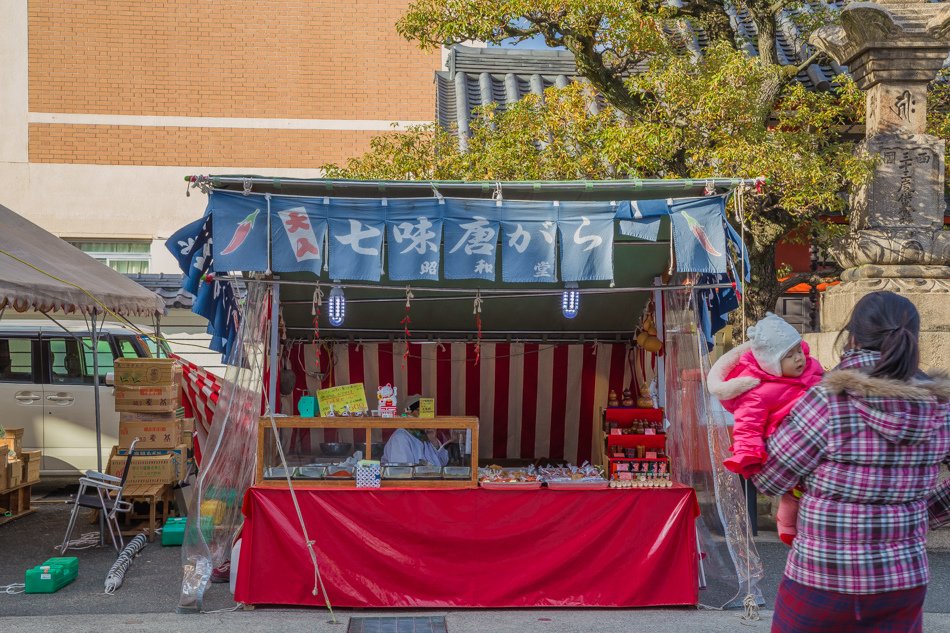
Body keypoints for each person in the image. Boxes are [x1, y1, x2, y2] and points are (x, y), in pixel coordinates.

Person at [751, 291, 950, 633]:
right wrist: (921, 511)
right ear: (911, 339)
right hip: (903, 579)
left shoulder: (827, 400)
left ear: (853, 337)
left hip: (821, 576)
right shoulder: (939, 407)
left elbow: (770, 478)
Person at [708, 312, 823, 545]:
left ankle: (804, 529)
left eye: (798, 351)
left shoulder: (813, 371)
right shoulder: (758, 391)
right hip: (785, 445)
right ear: (771, 362)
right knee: (792, 493)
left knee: (809, 489)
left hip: (814, 440)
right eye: (789, 356)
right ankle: (788, 525)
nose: (799, 359)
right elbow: (747, 425)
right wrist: (747, 453)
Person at [381, 395, 450, 466]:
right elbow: (403, 472)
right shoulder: (400, 437)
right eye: (418, 411)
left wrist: (433, 441)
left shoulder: (424, 435)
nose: (423, 416)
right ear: (408, 414)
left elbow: (443, 462)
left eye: (426, 412)